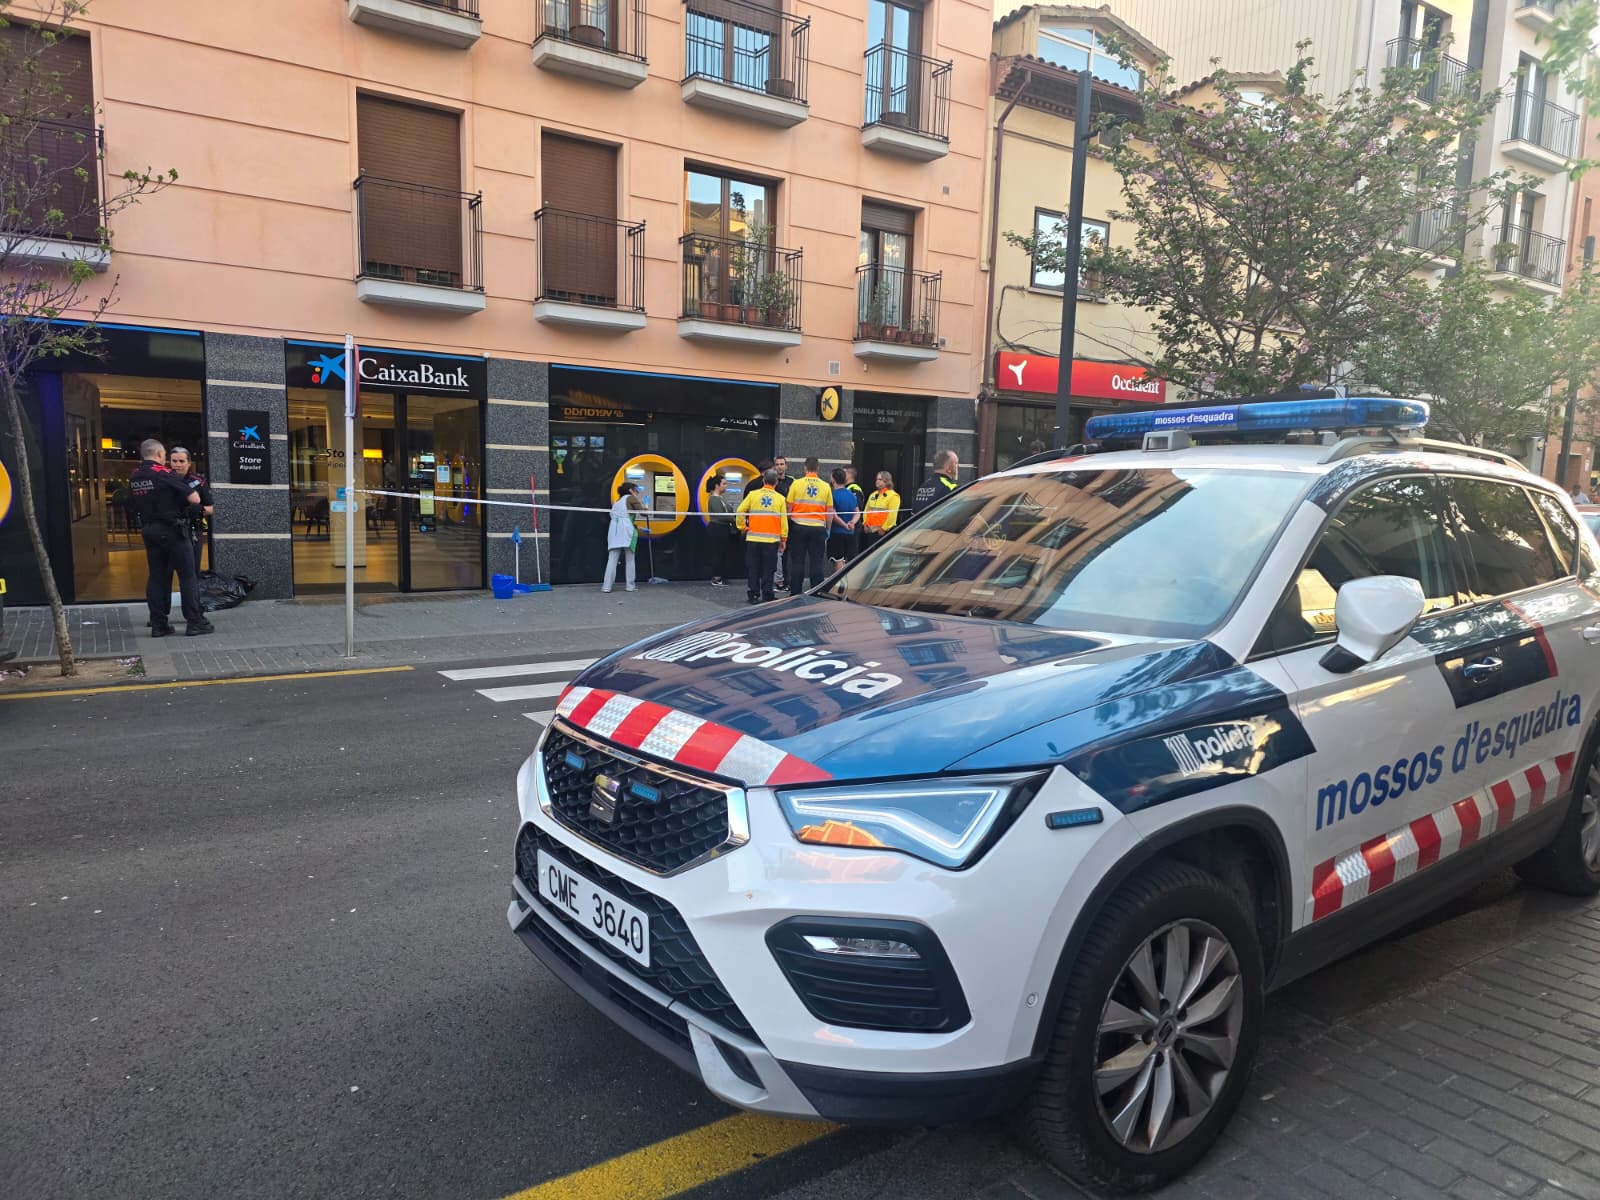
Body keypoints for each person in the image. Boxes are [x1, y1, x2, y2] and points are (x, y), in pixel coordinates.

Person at [128, 438, 212, 637]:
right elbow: (195, 498)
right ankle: (194, 622)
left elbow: (130, 504)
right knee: (188, 575)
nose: (171, 463)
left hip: (149, 530)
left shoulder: (136, 476)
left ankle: (158, 624)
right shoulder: (164, 474)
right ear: (158, 454)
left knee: (157, 576)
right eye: (168, 457)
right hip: (173, 530)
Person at [735, 468, 788, 603]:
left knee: (753, 568)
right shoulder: (780, 499)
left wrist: (742, 527)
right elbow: (784, 521)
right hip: (771, 540)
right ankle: (767, 595)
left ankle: (753, 594)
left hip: (753, 539)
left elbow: (740, 510)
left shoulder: (753, 495)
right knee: (769, 569)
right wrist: (784, 539)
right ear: (776, 482)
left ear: (763, 480)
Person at [785, 457, 833, 595]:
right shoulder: (825, 486)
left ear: (805, 468)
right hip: (818, 528)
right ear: (817, 468)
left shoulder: (796, 484)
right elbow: (829, 511)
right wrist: (828, 529)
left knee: (797, 562)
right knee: (816, 563)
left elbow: (789, 507)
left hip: (798, 527)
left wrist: (788, 524)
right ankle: (816, 593)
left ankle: (795, 593)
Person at [167, 446, 213, 572]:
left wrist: (198, 510)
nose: (177, 465)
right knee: (166, 570)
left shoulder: (198, 481)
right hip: (168, 530)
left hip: (192, 529)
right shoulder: (164, 479)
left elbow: (211, 508)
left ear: (188, 463)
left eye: (181, 461)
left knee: (192, 570)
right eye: (174, 461)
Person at [602, 480, 647, 593]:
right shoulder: (631, 498)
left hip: (614, 530)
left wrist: (638, 528)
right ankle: (630, 586)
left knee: (612, 559)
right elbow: (643, 513)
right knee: (630, 559)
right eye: (636, 490)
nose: (638, 492)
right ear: (631, 490)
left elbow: (622, 517)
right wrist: (645, 506)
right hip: (627, 531)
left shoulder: (617, 502)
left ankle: (606, 587)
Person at [705, 472, 740, 587]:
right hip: (717, 528)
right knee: (717, 553)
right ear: (717, 485)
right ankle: (716, 577)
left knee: (722, 553)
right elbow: (721, 515)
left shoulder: (721, 499)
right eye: (724, 484)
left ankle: (720, 576)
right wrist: (734, 518)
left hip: (723, 529)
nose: (726, 486)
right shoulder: (714, 499)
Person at [862, 470, 901, 549]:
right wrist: (865, 523)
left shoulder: (893, 496)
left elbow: (892, 515)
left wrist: (884, 528)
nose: (877, 481)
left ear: (886, 481)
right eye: (877, 479)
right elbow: (866, 510)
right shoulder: (873, 495)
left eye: (880, 479)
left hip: (883, 532)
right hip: (871, 530)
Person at [913, 449, 960, 515]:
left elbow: (914, 512)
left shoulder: (924, 486)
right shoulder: (950, 487)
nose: (958, 466)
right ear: (948, 468)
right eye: (956, 463)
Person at [829, 467, 859, 567]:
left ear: (833, 479)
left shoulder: (833, 495)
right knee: (846, 561)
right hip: (850, 533)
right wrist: (852, 523)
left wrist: (844, 525)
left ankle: (839, 583)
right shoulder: (851, 495)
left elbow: (833, 514)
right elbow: (857, 512)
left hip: (837, 532)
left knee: (838, 560)